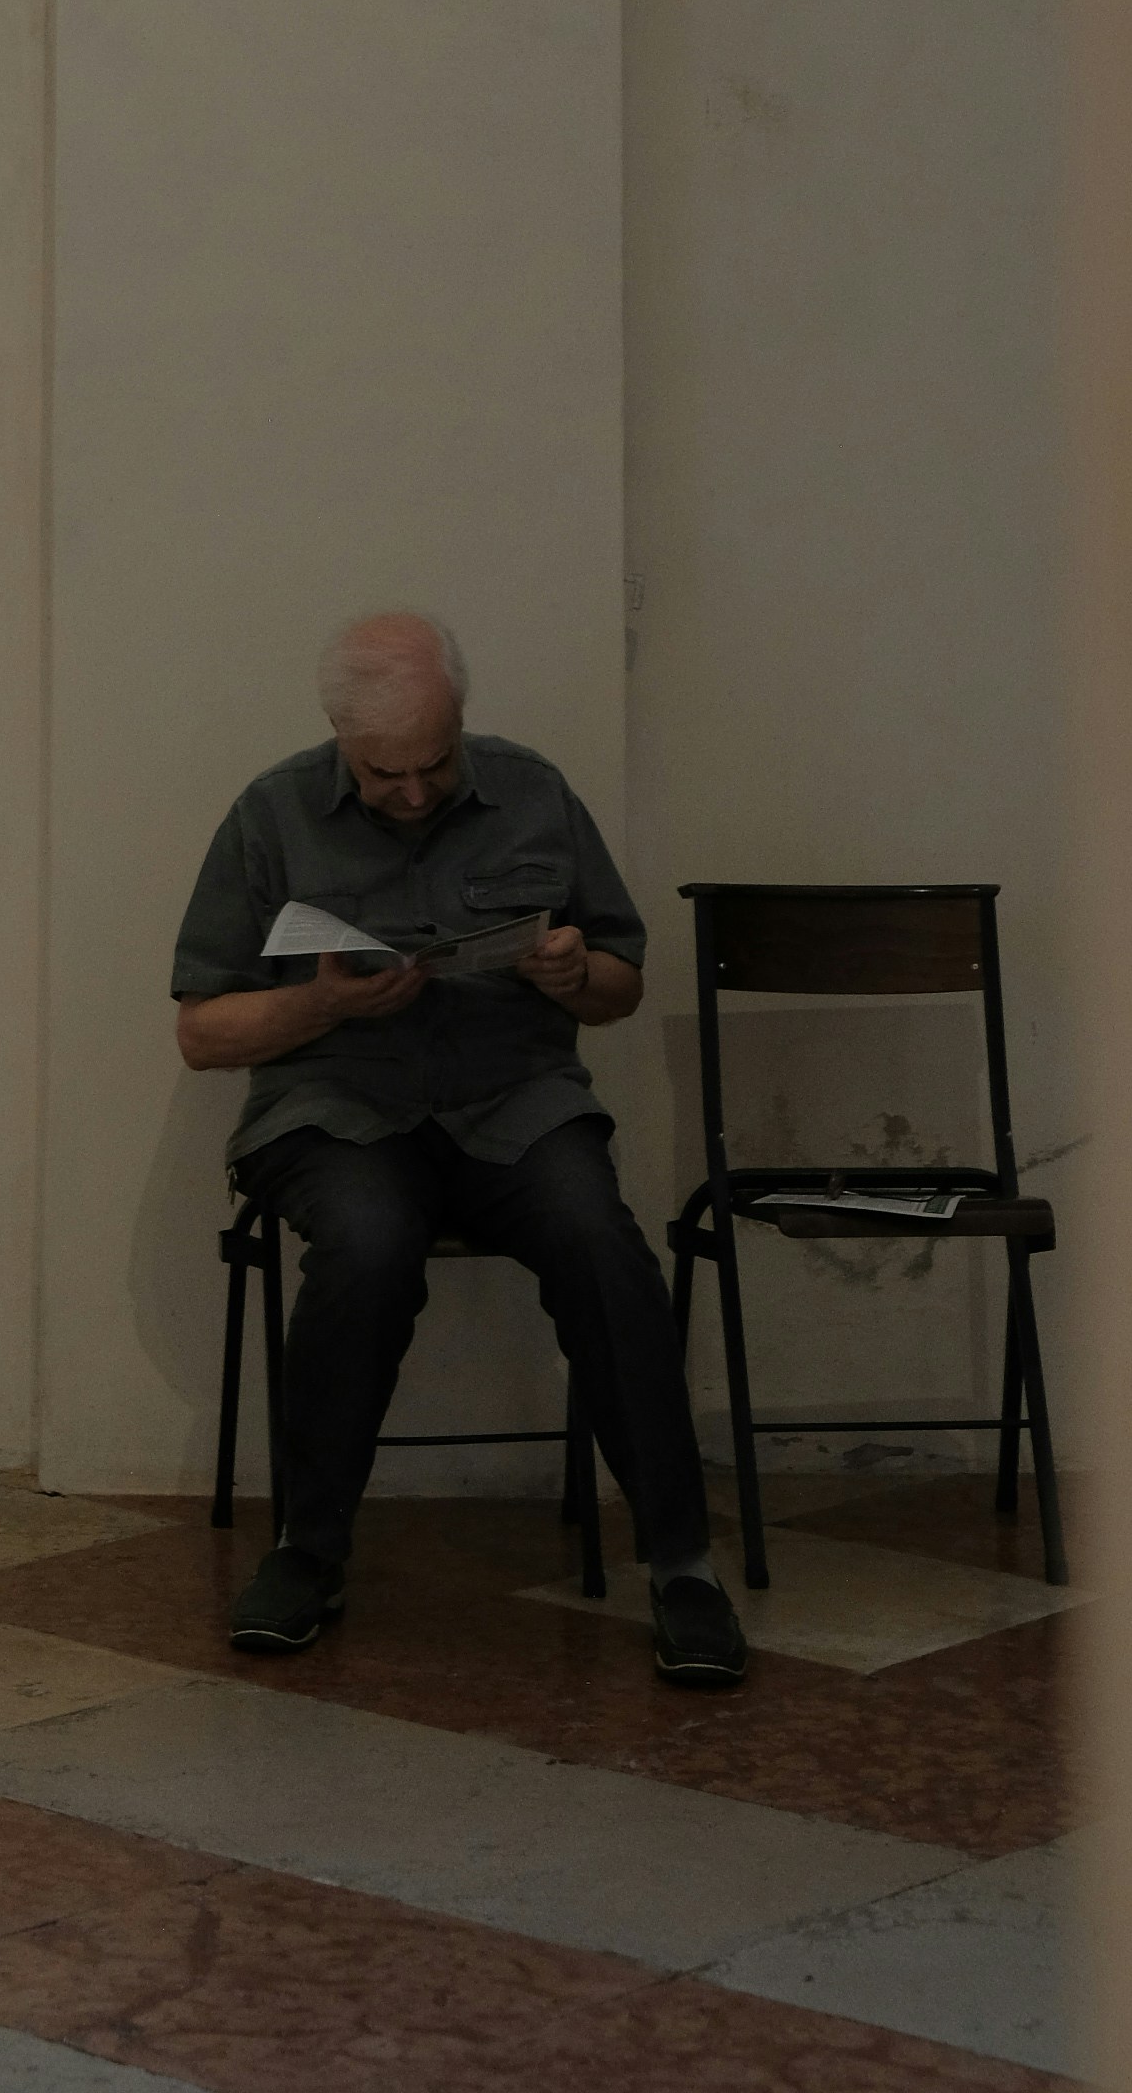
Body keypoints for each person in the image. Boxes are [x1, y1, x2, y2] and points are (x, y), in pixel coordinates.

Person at [173, 610, 748, 1685]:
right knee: (368, 1240)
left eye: (436, 761)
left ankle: (681, 1565)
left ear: (461, 719)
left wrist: (581, 975)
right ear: (340, 736)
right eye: (387, 772)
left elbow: (622, 981)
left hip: (514, 1105)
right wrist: (325, 1007)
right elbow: (202, 1030)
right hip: (337, 1112)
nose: (416, 791)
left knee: (599, 1237)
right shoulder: (271, 812)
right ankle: (308, 1552)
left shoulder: (532, 791)